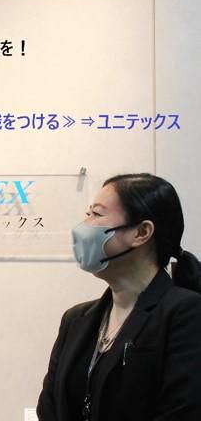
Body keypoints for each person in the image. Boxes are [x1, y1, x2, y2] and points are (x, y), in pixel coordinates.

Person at [37, 173, 201, 421]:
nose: (84, 225)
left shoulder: (186, 314)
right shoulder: (75, 319)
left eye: (97, 214)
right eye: (87, 213)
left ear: (142, 232)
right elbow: (49, 409)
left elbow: (183, 411)